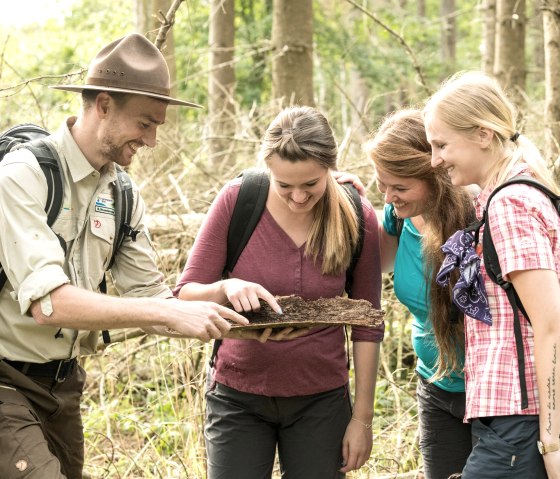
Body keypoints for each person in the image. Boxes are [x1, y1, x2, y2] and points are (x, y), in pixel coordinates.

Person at [0, 33, 247, 479]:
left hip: (62, 384)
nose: (151, 140)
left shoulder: (122, 193)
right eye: (145, 123)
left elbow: (153, 299)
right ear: (104, 105)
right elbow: (49, 304)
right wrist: (163, 312)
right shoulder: (22, 176)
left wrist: (225, 299)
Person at [174, 105, 384, 478]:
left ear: (331, 170)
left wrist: (362, 419)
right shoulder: (238, 201)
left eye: (311, 184)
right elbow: (185, 295)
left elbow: (367, 323)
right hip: (237, 397)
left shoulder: (356, 213)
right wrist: (226, 286)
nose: (299, 197)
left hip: (321, 401)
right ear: (267, 168)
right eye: (285, 185)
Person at [423, 71, 560, 479]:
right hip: (507, 418)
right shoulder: (500, 195)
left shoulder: (511, 205)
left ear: (483, 134)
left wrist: (552, 442)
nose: (435, 159)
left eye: (441, 144)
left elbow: (551, 325)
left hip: (521, 419)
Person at [361, 109, 476, 479]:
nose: (390, 196)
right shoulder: (399, 215)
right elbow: (366, 267)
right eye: (382, 185)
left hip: (492, 394)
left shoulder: (480, 214)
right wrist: (349, 204)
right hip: (435, 387)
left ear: (436, 176)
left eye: (400, 187)